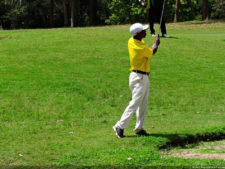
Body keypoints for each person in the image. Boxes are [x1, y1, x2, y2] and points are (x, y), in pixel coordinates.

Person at [113, 23, 160, 138]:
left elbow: (146, 50)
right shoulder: (139, 47)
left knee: (143, 103)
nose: (146, 31)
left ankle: (139, 128)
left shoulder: (133, 41)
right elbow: (151, 52)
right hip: (138, 77)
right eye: (143, 30)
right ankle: (119, 126)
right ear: (137, 33)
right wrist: (156, 44)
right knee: (135, 103)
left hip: (143, 76)